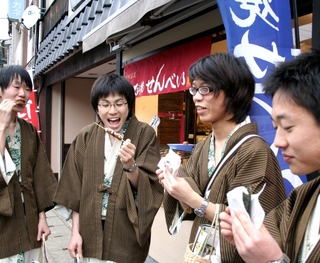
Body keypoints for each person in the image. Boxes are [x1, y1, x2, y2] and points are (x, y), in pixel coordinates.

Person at [157, 53, 286, 262]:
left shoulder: (255, 151)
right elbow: (188, 207)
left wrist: (192, 198)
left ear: (233, 93)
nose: (196, 96)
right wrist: (174, 183)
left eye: (205, 89)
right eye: (194, 89)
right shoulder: (202, 148)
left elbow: (254, 223)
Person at [219, 50, 320, 263]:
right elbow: (273, 235)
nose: (278, 141)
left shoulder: (255, 148)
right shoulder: (302, 196)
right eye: (276, 127)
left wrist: (272, 260)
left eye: (288, 127)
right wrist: (249, 234)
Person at [53, 73, 163, 263]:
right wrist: (75, 233)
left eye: (119, 103)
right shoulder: (86, 136)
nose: (112, 110)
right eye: (105, 104)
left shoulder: (144, 134)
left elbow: (150, 186)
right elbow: (74, 188)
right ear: (97, 107)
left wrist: (131, 167)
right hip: (88, 229)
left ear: (129, 105)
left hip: (125, 230)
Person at [0, 65, 57, 262]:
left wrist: (42, 217)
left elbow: (38, 175)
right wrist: (1, 126)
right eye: (16, 87)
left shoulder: (28, 130)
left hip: (29, 216)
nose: (23, 94)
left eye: (27, 88)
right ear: (0, 92)